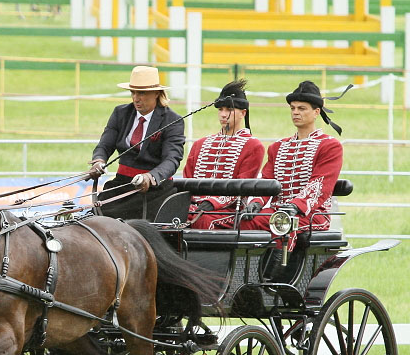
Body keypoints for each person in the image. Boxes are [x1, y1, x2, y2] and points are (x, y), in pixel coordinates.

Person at [239, 80, 347, 249]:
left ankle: (277, 271)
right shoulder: (278, 146)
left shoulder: (329, 146)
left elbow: (319, 185)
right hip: (278, 210)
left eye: (302, 108)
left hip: (312, 214)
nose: (296, 112)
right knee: (244, 223)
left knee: (281, 223)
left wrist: (296, 205)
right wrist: (257, 202)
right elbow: (267, 181)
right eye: (293, 108)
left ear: (316, 112)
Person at [87, 66, 185, 221]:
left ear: (157, 93)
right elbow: (104, 146)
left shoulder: (172, 120)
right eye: (133, 92)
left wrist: (151, 177)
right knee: (96, 219)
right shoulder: (120, 113)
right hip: (120, 185)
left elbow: (172, 159)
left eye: (142, 93)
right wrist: (98, 161)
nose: (136, 98)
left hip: (154, 191)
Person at [185, 79, 266, 229]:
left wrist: (211, 203)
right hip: (195, 208)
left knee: (204, 220)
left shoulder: (253, 146)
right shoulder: (200, 144)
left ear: (243, 113)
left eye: (229, 109)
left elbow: (242, 185)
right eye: (220, 109)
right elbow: (187, 179)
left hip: (228, 211)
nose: (223, 114)